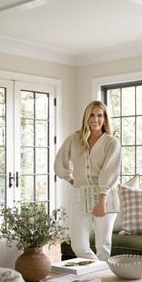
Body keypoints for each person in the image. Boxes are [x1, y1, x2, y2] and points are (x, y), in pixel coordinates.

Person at [54, 100, 121, 261]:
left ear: (105, 119)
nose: (95, 119)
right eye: (92, 114)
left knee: (103, 247)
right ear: (86, 117)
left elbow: (109, 172)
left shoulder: (112, 143)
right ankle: (99, 271)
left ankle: (100, 281)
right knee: (78, 245)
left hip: (105, 196)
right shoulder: (74, 139)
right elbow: (59, 164)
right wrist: (72, 181)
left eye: (100, 115)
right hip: (80, 194)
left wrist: (102, 200)